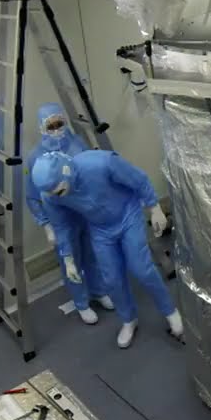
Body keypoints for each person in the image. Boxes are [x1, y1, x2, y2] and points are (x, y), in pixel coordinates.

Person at [31, 149, 181, 348]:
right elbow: (62, 227)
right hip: (100, 229)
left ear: (67, 172)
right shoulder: (51, 196)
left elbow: (139, 179)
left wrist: (155, 208)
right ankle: (128, 319)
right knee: (112, 279)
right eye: (52, 193)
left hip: (128, 215)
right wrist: (68, 259)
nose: (56, 196)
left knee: (141, 269)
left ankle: (170, 311)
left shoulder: (101, 163)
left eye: (58, 190)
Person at [24, 102, 112, 325]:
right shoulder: (36, 157)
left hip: (84, 211)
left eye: (59, 123)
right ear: (41, 127)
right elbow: (33, 194)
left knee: (92, 253)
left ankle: (99, 291)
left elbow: (90, 174)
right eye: (50, 125)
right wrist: (46, 225)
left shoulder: (77, 143)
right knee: (70, 260)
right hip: (61, 217)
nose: (56, 128)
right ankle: (81, 302)